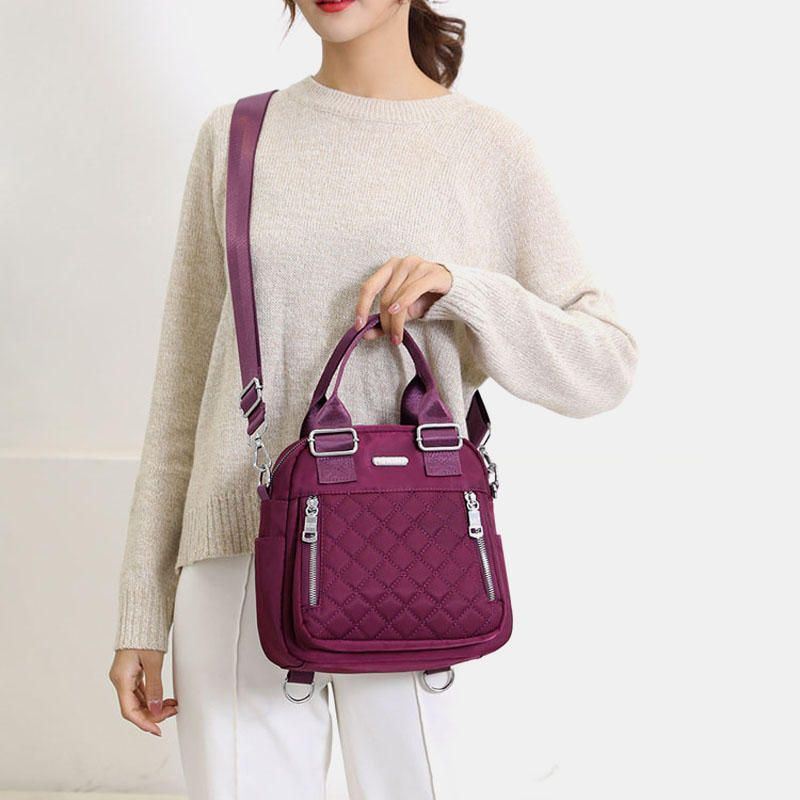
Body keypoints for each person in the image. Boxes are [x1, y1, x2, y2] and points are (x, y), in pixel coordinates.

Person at [108, 1, 638, 797]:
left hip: (413, 557)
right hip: (238, 560)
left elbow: (606, 362)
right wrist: (142, 611)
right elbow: (183, 392)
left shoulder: (490, 148)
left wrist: (461, 291)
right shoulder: (238, 137)